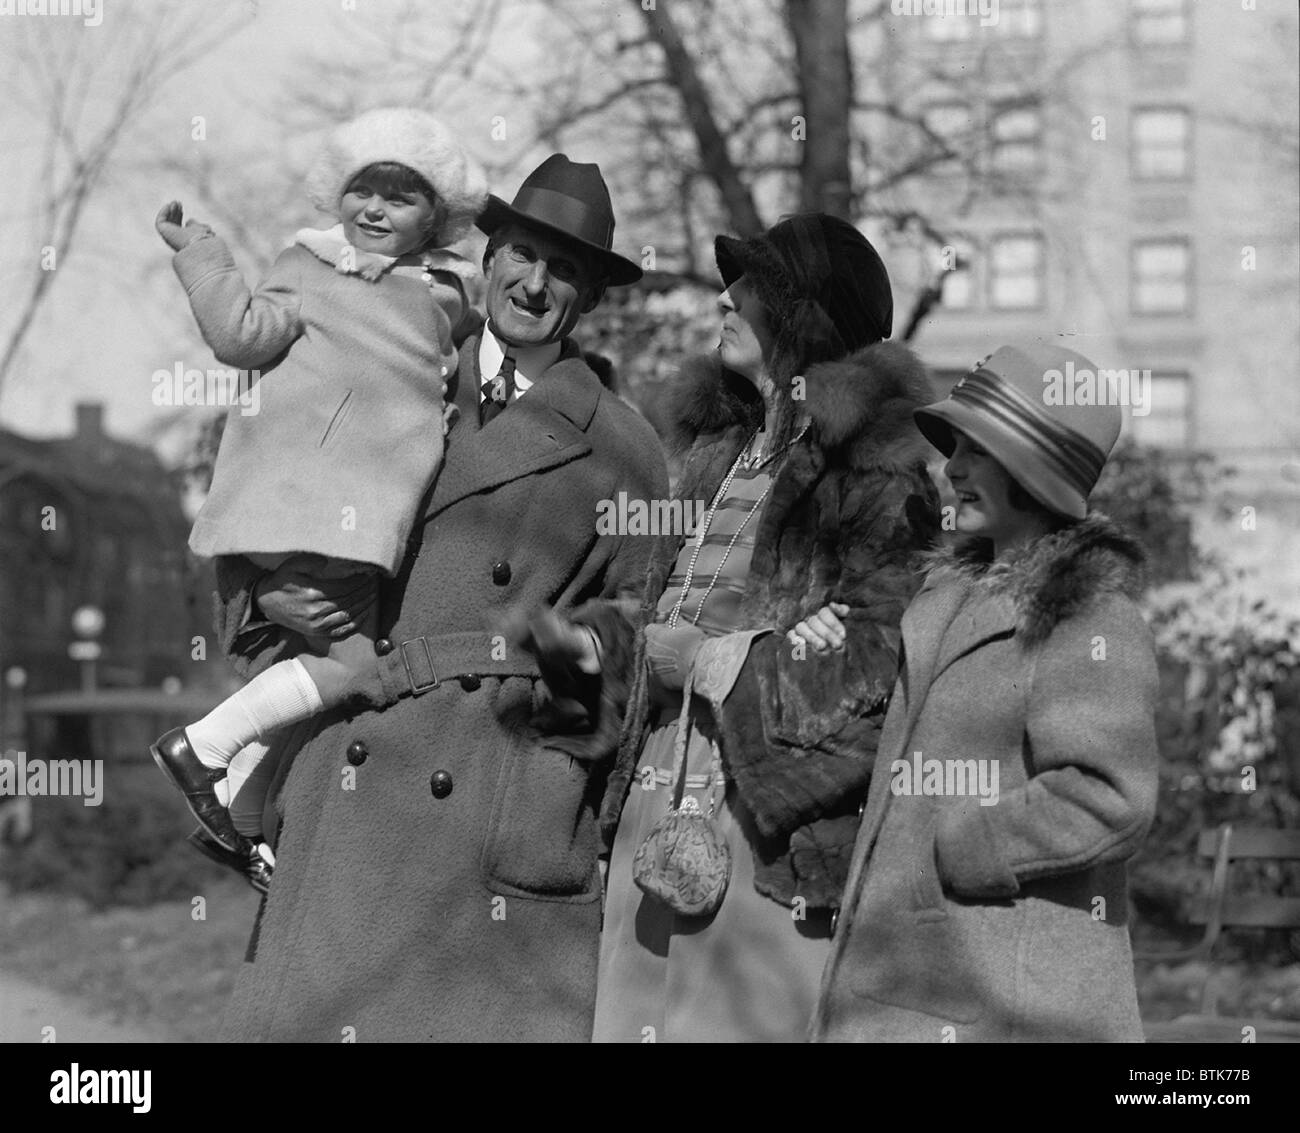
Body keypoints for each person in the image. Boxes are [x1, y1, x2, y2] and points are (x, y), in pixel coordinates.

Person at [213, 154, 668, 1042]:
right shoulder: (384, 353)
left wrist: (539, 794)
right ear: (489, 254)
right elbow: (260, 506)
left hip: (482, 803)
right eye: (523, 254)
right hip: (343, 770)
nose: (535, 286)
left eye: (565, 271)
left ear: (590, 298)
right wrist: (270, 601)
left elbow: (622, 652)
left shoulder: (625, 450)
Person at [530, 213, 941, 1042]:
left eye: (745, 288)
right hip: (655, 788)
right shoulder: (721, 453)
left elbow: (880, 665)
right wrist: (602, 645)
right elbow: (667, 615)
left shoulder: (878, 468)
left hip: (771, 821)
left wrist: (717, 663)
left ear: (798, 315)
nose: (723, 298)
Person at [149, 108, 487, 889]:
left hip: (363, 514)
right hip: (308, 497)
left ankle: (237, 809)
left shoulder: (443, 292)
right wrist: (203, 255)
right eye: (364, 189)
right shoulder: (310, 266)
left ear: (433, 218)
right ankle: (204, 748)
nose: (374, 209)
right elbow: (240, 334)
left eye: (400, 198)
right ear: (337, 196)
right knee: (350, 666)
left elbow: (450, 368)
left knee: (328, 661)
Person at [810, 343, 1159, 1042]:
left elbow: (1109, 792)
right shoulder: (944, 595)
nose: (951, 467)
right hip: (905, 980)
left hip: (1006, 998)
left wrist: (963, 847)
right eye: (955, 446)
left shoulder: (1087, 614)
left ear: (1033, 471)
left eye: (978, 451)